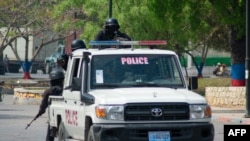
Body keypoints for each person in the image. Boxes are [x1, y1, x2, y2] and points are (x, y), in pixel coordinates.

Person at [36, 68, 65, 141]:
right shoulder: (65, 90)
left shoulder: (48, 91)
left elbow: (43, 106)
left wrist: (39, 113)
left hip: (53, 117)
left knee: (50, 135)